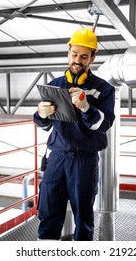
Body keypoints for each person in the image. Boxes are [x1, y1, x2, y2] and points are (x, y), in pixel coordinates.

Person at [33, 28, 115, 241]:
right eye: (74, 54)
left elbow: (104, 124)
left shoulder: (102, 89)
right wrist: (41, 114)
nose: (78, 60)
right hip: (57, 158)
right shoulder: (54, 85)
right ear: (68, 52)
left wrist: (87, 107)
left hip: (84, 160)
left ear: (92, 58)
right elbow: (43, 125)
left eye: (84, 56)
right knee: (48, 212)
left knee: (83, 218)